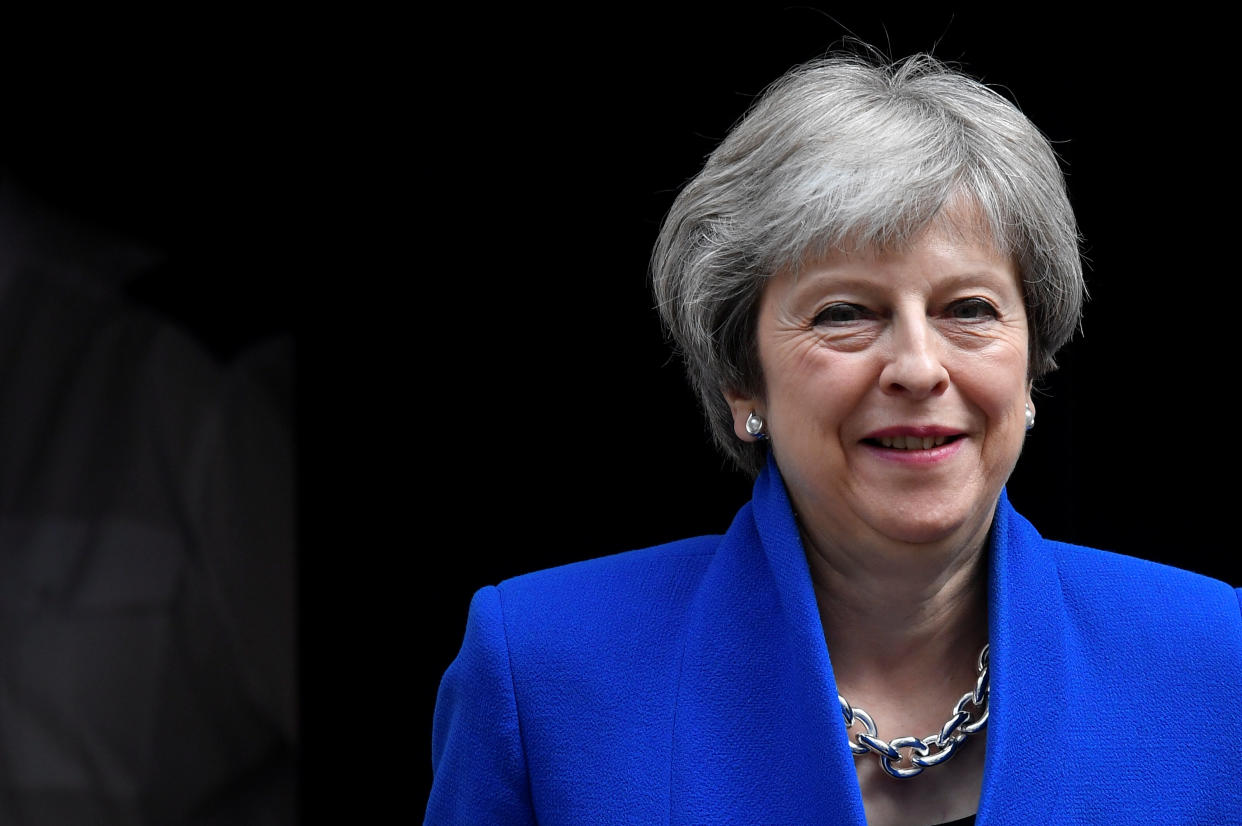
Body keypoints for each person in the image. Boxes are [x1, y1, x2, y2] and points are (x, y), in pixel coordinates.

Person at [424, 52, 1242, 825]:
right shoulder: (539, 673)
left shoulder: (1215, 662)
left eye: (969, 310)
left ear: (1030, 370)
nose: (919, 368)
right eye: (845, 313)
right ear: (741, 379)